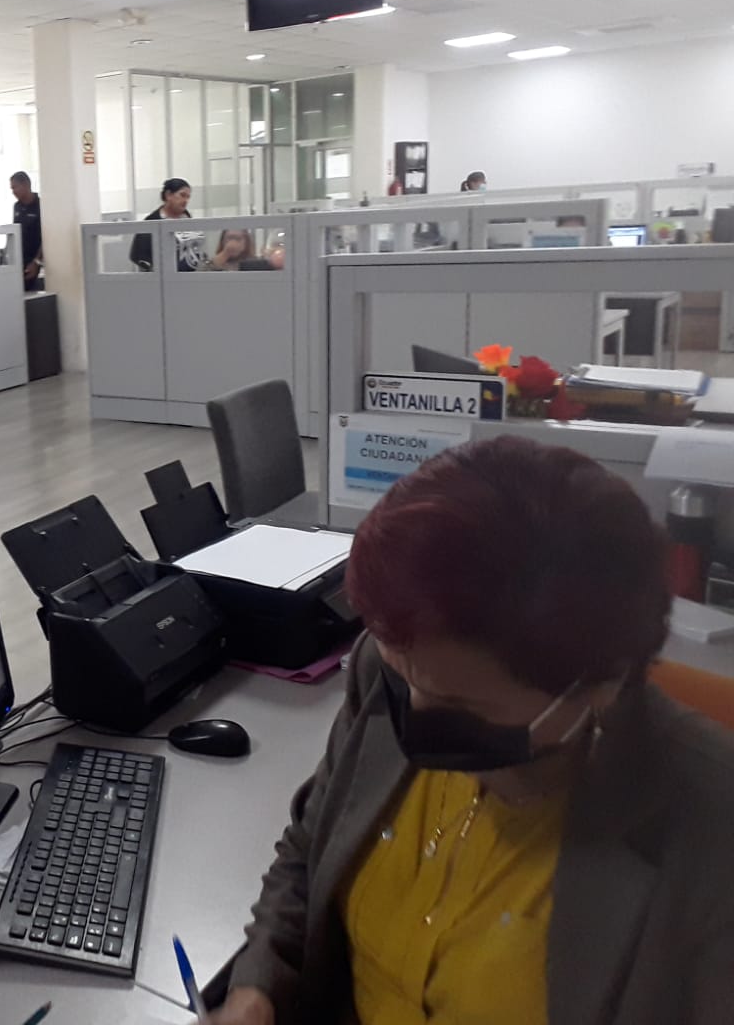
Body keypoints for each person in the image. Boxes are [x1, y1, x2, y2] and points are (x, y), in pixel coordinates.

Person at [212, 436, 734, 1025]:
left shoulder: (710, 838)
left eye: (459, 702)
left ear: (600, 683)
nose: (411, 712)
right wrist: (258, 990)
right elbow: (309, 850)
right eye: (402, 675)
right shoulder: (390, 671)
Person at [130, 177, 193, 270]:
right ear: (168, 195)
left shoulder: (188, 219)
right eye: (182, 195)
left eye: (188, 197)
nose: (186, 201)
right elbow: (138, 255)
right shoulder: (151, 222)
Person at [10, 171, 43, 290]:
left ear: (25, 185)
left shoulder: (41, 205)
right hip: (19, 261)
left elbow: (48, 237)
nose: (13, 192)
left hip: (35, 261)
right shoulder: (17, 206)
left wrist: (36, 262)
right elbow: (15, 233)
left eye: (15, 187)